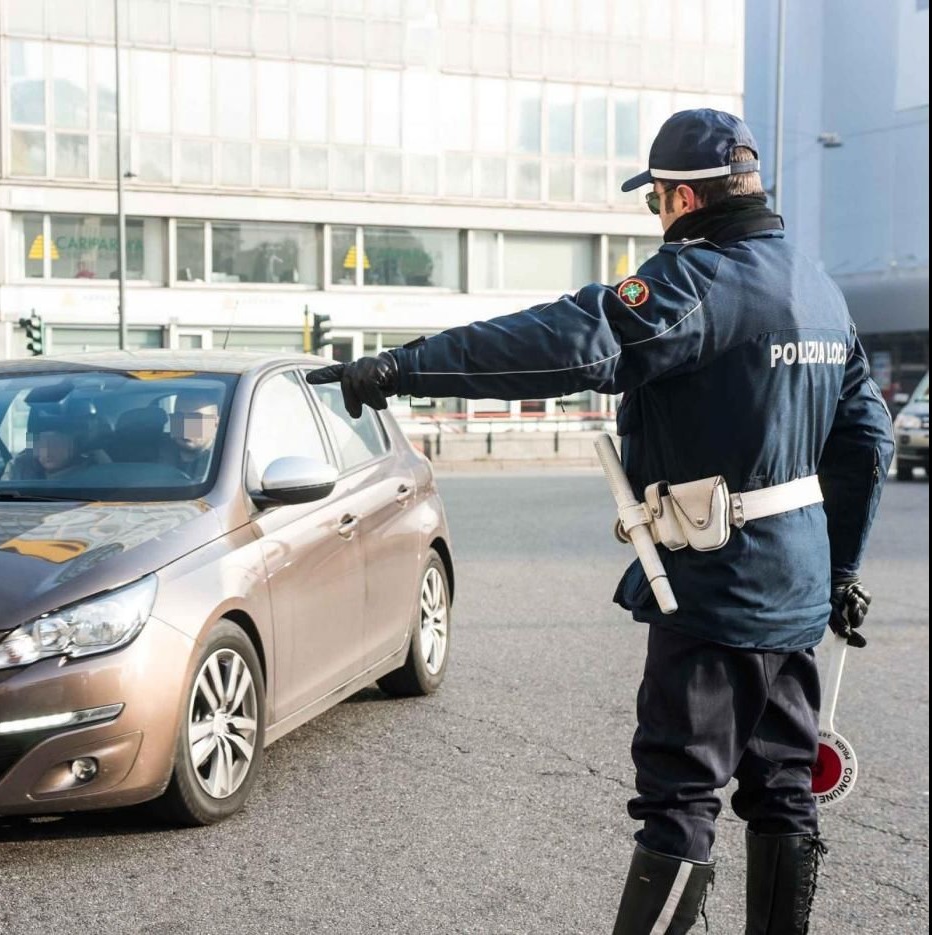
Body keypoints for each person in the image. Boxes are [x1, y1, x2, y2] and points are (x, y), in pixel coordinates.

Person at [307, 109, 893, 935]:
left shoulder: (700, 282)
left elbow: (567, 342)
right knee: (784, 791)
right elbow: (868, 442)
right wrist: (840, 571)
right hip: (796, 589)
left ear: (682, 197)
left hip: (717, 583)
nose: (655, 215)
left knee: (681, 798)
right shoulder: (819, 288)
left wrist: (404, 366)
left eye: (655, 199)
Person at [4, 410, 107, 481]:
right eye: (40, 444)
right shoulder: (19, 468)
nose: (47, 452)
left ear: (72, 445)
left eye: (55, 443)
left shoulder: (95, 467)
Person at [157, 390, 220, 483]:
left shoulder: (226, 463)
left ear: (215, 422)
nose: (186, 425)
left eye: (196, 418)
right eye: (179, 416)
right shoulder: (151, 453)